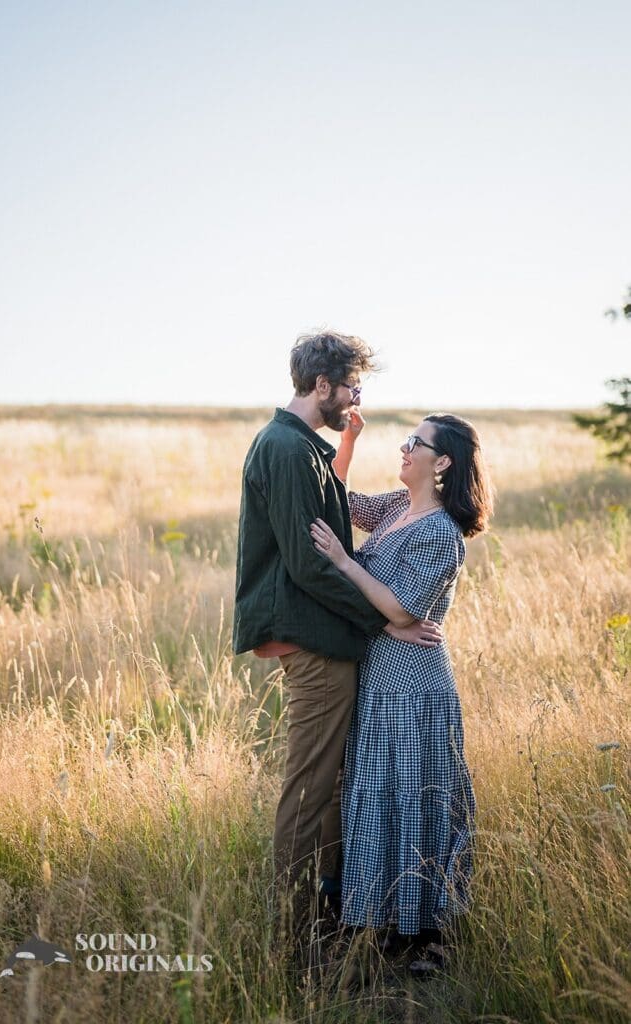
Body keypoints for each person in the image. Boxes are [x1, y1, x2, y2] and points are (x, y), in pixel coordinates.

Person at [232, 332, 443, 957]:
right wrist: (387, 621)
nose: (356, 398)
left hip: (326, 639)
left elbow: (337, 522)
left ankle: (330, 919)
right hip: (314, 644)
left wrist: (348, 443)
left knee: (329, 793)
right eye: (350, 386)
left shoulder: (304, 448)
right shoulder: (287, 449)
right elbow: (308, 563)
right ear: (321, 386)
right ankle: (296, 945)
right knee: (308, 790)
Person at [310, 411, 493, 974]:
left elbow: (404, 608)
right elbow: (336, 498)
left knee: (420, 797)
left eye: (416, 443)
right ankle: (390, 920)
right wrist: (348, 438)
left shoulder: (442, 533)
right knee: (380, 796)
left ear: (442, 464)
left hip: (414, 685)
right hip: (381, 672)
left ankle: (429, 931)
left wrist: (344, 562)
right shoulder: (393, 509)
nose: (405, 447)